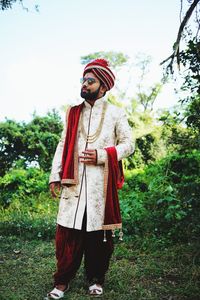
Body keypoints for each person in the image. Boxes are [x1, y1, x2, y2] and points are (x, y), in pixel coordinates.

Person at [47, 58, 134, 299]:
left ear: (103, 86)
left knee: (98, 235)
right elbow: (63, 144)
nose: (85, 84)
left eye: (90, 81)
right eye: (83, 80)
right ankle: (62, 280)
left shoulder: (116, 113)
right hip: (73, 184)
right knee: (68, 233)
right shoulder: (73, 113)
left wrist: (103, 155)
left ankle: (96, 279)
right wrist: (55, 176)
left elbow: (129, 144)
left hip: (100, 185)